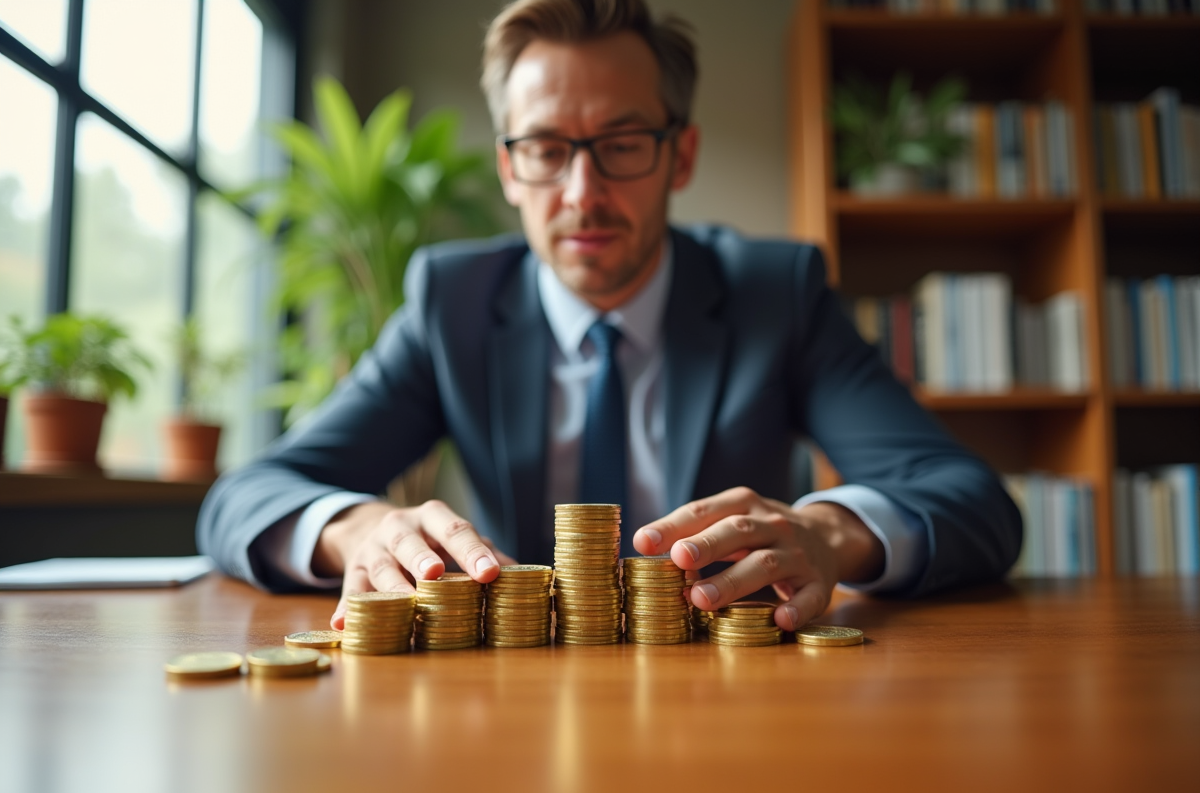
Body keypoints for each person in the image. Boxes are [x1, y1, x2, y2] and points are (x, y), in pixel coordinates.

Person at [198, 0, 1021, 633]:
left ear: (681, 155)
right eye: (547, 149)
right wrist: (358, 527)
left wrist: (830, 535)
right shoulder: (450, 302)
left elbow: (973, 502)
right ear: (509, 169)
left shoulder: (780, 291)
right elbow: (244, 497)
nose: (582, 193)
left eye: (623, 143)